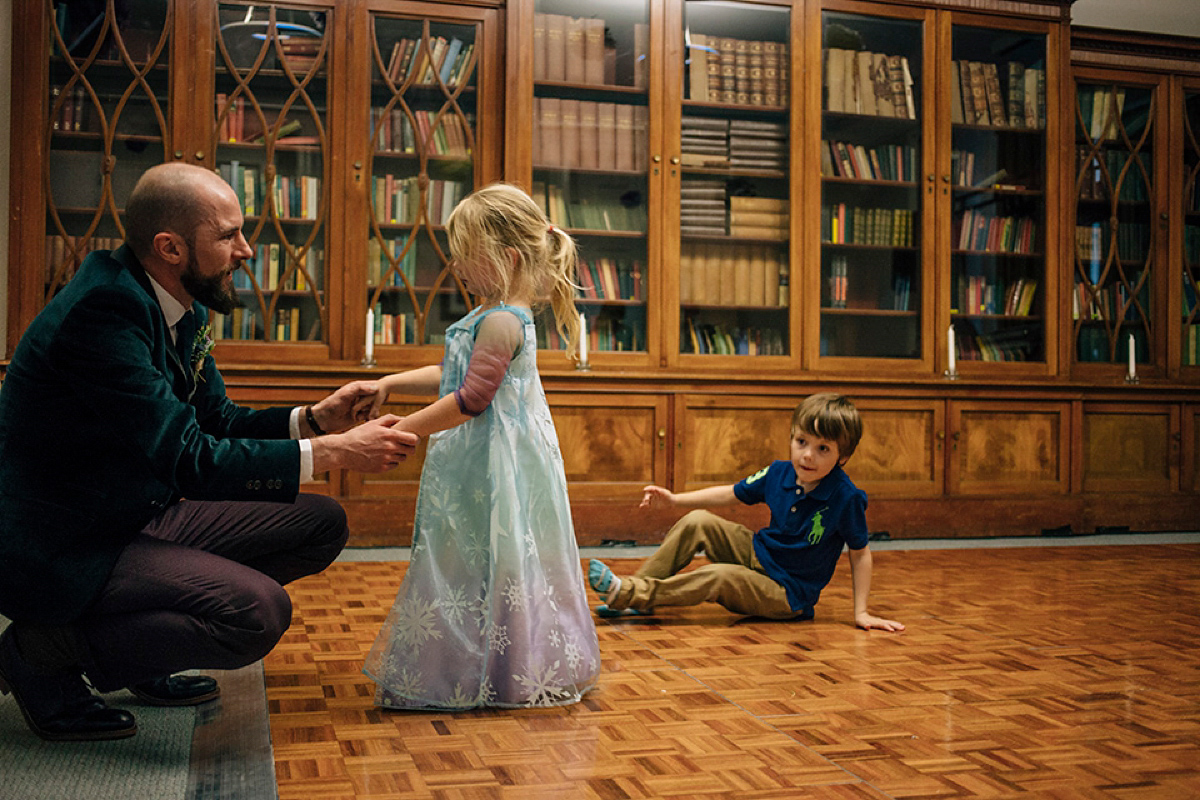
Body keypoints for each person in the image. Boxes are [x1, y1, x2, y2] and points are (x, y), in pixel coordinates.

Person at [0, 162, 419, 741]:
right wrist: (334, 452)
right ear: (169, 247)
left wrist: (314, 420)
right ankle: (40, 650)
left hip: (139, 509)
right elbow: (190, 457)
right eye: (227, 236)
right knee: (258, 613)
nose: (247, 249)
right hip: (67, 542)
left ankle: (141, 652)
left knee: (320, 523)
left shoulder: (180, 300)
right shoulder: (103, 312)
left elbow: (215, 420)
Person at [360, 183, 600, 709]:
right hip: (488, 462)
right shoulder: (499, 313)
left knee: (496, 558)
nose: (457, 265)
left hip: (495, 467)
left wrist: (406, 430)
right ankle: (491, 664)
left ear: (505, 256)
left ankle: (502, 670)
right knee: (489, 558)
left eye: (465, 254)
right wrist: (390, 382)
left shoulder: (501, 320)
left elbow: (470, 399)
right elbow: (454, 373)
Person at [587, 393, 904, 631]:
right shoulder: (779, 471)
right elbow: (730, 493)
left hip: (787, 593)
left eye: (823, 449)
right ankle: (633, 598)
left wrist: (861, 612)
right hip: (761, 555)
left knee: (719, 576)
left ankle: (628, 592)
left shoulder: (846, 497)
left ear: (843, 457)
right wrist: (674, 500)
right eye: (801, 441)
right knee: (699, 521)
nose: (807, 455)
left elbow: (860, 554)